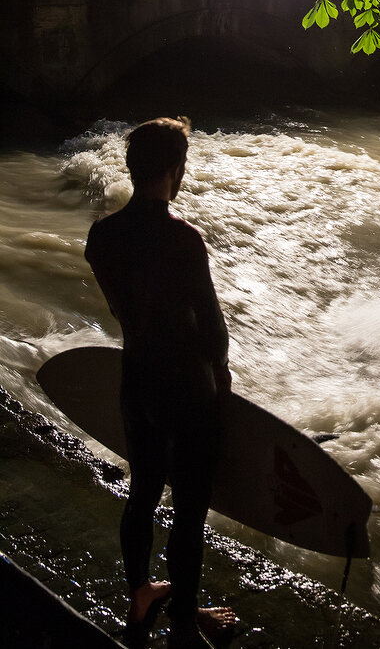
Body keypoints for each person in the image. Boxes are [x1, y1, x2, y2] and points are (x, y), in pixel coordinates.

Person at [85, 117, 236, 649]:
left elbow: (128, 310)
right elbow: (212, 328)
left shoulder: (101, 237)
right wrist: (220, 377)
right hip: (187, 388)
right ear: (176, 168)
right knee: (189, 507)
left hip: (138, 378)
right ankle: (187, 623)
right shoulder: (182, 238)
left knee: (143, 491)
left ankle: (141, 591)